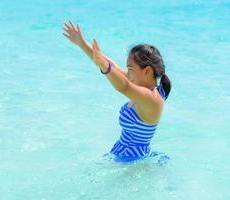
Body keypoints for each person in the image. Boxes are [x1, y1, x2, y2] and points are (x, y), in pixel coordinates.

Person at [62, 20, 171, 162]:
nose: (127, 73)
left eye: (130, 69)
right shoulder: (141, 85)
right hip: (121, 157)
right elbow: (110, 65)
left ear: (147, 71)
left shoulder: (152, 98)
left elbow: (123, 86)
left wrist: (105, 68)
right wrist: (82, 43)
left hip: (133, 163)